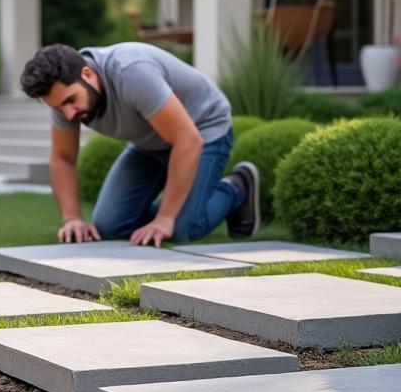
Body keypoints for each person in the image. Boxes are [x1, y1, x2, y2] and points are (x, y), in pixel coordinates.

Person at [19, 42, 260, 247]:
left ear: (88, 74)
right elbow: (63, 158)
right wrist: (72, 218)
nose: (69, 114)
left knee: (182, 229)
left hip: (202, 130)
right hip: (150, 143)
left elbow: (187, 139)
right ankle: (182, 205)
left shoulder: (130, 72)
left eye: (71, 101)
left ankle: (237, 187)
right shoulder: (64, 97)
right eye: (59, 107)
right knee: (111, 226)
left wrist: (165, 218)